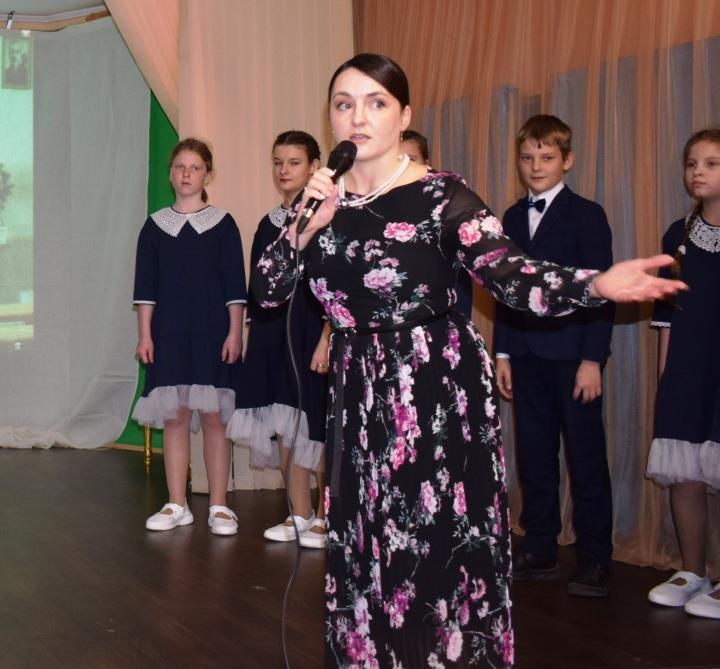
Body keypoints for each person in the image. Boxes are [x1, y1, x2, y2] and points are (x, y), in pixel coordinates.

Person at [251, 53, 686, 668]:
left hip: (431, 388)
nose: (358, 117)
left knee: (426, 549)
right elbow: (267, 293)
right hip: (358, 394)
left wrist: (596, 285)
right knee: (367, 546)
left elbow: (511, 275)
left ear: (404, 115)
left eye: (376, 103)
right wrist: (305, 225)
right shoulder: (321, 200)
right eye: (344, 104)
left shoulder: (441, 195)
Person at [493, 115, 616, 597]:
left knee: (585, 457)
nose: (536, 166)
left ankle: (595, 557)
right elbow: (505, 289)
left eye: (546, 157)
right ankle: (540, 546)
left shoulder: (587, 214)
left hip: (573, 356)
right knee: (534, 453)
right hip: (525, 352)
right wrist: (503, 351)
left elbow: (601, 291)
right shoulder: (509, 218)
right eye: (527, 157)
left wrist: (593, 359)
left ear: (567, 160)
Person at [133, 138, 246, 535]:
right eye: (180, 166)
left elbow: (235, 288)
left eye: (195, 167)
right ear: (170, 174)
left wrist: (235, 333)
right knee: (175, 417)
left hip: (213, 334)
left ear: (207, 175)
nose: (186, 174)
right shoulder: (154, 226)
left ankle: (219, 505)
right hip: (168, 334)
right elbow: (145, 290)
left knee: (214, 418)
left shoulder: (223, 224)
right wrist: (145, 336)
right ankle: (176, 503)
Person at [227, 130, 330, 549]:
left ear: (314, 167)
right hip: (275, 332)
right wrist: (255, 338)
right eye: (278, 162)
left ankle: (328, 516)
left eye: (294, 162)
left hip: (315, 331)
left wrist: (327, 336)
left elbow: (336, 287)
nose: (284, 170)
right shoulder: (269, 223)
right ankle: (299, 511)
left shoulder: (328, 216)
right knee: (286, 421)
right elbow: (258, 288)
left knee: (318, 421)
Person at [645, 127, 720, 619]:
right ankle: (695, 572)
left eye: (711, 163)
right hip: (689, 368)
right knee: (685, 474)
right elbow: (667, 317)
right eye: (692, 163)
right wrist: (665, 380)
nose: (698, 172)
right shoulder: (678, 236)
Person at [400, 128, 473, 320]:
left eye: (411, 159)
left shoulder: (446, 207)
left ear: (427, 164)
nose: (403, 167)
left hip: (441, 322)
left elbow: (460, 277)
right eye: (397, 160)